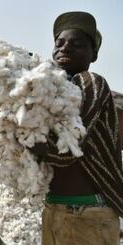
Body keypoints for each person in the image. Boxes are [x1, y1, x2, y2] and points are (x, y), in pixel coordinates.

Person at [29, 12, 123, 245]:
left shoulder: (91, 82)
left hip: (87, 215)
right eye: (59, 43)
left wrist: (18, 129)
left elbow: (60, 153)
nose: (65, 48)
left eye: (77, 44)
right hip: (54, 211)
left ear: (93, 55)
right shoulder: (52, 94)